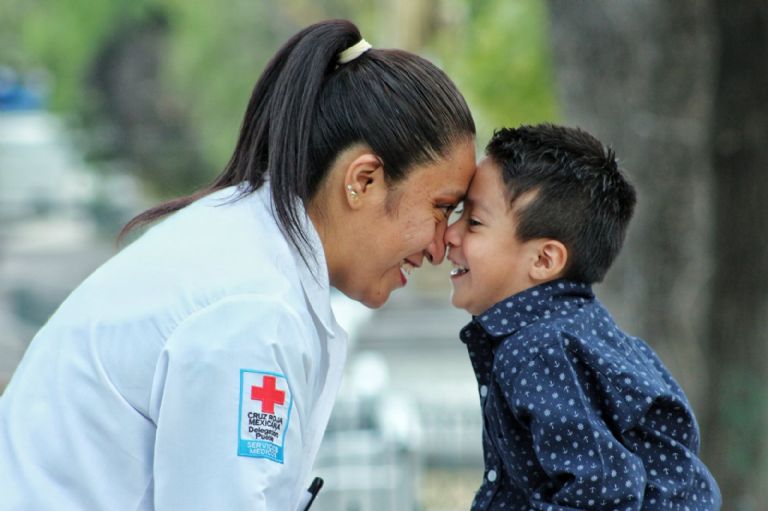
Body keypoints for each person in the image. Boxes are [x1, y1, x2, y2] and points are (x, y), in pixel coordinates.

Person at [0, 19, 476, 510]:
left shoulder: (240, 248)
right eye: (441, 208)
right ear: (364, 180)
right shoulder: (251, 309)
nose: (442, 247)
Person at [445, 124, 721, 510]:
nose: (450, 234)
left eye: (473, 222)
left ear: (544, 259)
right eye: (458, 214)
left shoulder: (537, 349)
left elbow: (602, 491)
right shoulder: (583, 327)